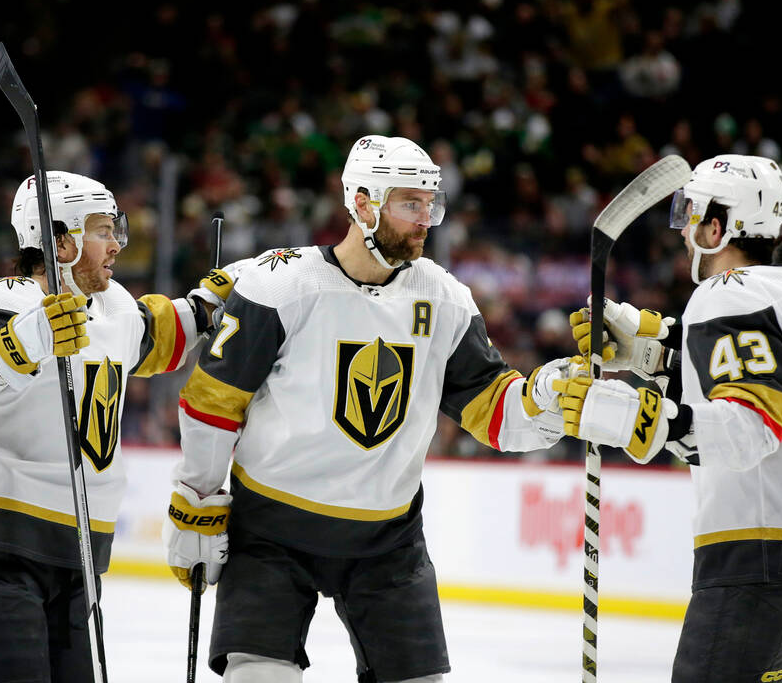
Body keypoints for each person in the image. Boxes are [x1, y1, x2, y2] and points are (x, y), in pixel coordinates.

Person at [163, 135, 586, 683]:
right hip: (270, 529)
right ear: (362, 203)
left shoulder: (445, 298)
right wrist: (196, 499)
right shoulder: (282, 285)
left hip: (388, 537)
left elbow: (494, 410)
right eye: (410, 204)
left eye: (430, 204)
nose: (425, 219)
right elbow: (212, 402)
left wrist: (548, 397)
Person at [567, 153, 782, 682]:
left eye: (692, 216)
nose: (685, 231)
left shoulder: (724, 294)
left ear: (718, 226)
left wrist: (630, 417)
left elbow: (749, 427)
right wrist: (648, 347)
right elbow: (739, 374)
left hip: (763, 557)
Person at [0, 171, 234, 683]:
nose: (116, 245)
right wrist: (16, 349)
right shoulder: (6, 298)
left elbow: (157, 337)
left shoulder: (114, 307)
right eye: (103, 231)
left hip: (77, 557)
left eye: (115, 230)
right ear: (60, 240)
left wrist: (207, 306)